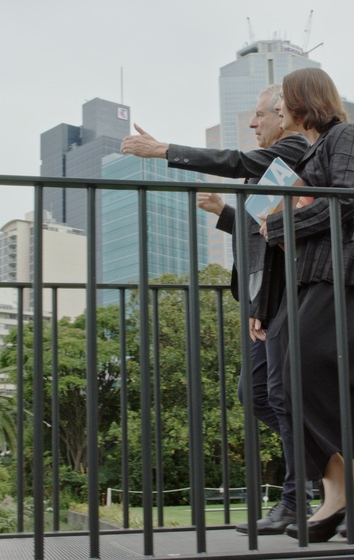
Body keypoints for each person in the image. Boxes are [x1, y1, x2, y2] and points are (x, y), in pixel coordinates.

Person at [120, 84, 312, 535]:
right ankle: (325, 474)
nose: (252, 124)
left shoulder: (292, 148)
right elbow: (258, 230)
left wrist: (162, 149)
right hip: (267, 299)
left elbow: (238, 164)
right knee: (260, 394)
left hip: (287, 297)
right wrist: (223, 211)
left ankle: (303, 493)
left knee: (277, 396)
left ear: (282, 115)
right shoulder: (276, 162)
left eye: (259, 115)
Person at [260, 68, 354, 542]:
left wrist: (279, 227)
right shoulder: (313, 149)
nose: (278, 111)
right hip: (308, 275)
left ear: (302, 101)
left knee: (340, 374)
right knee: (294, 382)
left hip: (342, 271)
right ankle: (335, 490)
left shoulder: (344, 135)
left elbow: (346, 200)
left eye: (283, 103)